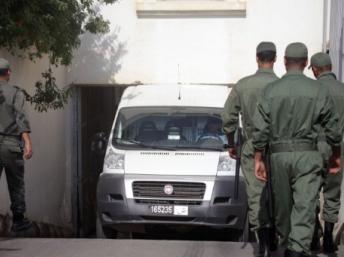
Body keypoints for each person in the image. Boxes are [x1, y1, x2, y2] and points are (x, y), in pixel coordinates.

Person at [252, 42, 342, 257]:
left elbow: (260, 128)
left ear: (284, 62)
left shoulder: (270, 90)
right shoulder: (318, 89)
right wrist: (336, 155)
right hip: (308, 155)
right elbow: (332, 126)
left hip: (278, 156)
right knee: (304, 205)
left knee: (284, 208)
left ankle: (293, 246)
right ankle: (296, 246)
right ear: (305, 63)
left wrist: (258, 158)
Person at [222, 42, 279, 257]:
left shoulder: (243, 85)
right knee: (278, 193)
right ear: (275, 59)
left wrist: (231, 143)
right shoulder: (281, 85)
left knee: (256, 195)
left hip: (251, 144)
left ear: (257, 58)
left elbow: (227, 117)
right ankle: (273, 234)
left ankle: (262, 242)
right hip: (278, 147)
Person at [308, 52, 344, 253]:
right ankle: (329, 237)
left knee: (310, 191)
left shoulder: (312, 90)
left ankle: (314, 235)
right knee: (332, 192)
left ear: (314, 69)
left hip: (314, 146)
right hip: (338, 146)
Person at [0, 58, 33, 232]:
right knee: (16, 183)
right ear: (8, 73)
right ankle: (19, 221)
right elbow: (21, 118)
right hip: (11, 144)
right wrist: (27, 141)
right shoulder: (16, 93)